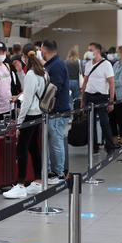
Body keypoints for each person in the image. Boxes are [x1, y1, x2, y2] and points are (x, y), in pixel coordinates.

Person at [2, 50, 46, 199]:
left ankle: (20, 184)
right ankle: (38, 180)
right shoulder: (43, 72)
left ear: (25, 58)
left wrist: (19, 124)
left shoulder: (31, 74)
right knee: (34, 147)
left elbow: (26, 101)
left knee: (22, 148)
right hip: (39, 113)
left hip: (29, 115)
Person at [41, 40, 71, 182]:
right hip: (53, 112)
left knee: (56, 143)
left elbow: (54, 88)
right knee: (51, 143)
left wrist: (42, 102)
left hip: (57, 111)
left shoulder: (56, 66)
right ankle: (51, 172)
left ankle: (58, 173)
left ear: (45, 50)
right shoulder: (53, 64)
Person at [81, 43, 118, 155]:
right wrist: (82, 100)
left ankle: (110, 146)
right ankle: (93, 146)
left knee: (104, 122)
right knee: (90, 123)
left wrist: (111, 101)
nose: (88, 52)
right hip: (89, 95)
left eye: (90, 50)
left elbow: (111, 84)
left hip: (102, 97)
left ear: (98, 51)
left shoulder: (106, 65)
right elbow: (85, 82)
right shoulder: (88, 64)